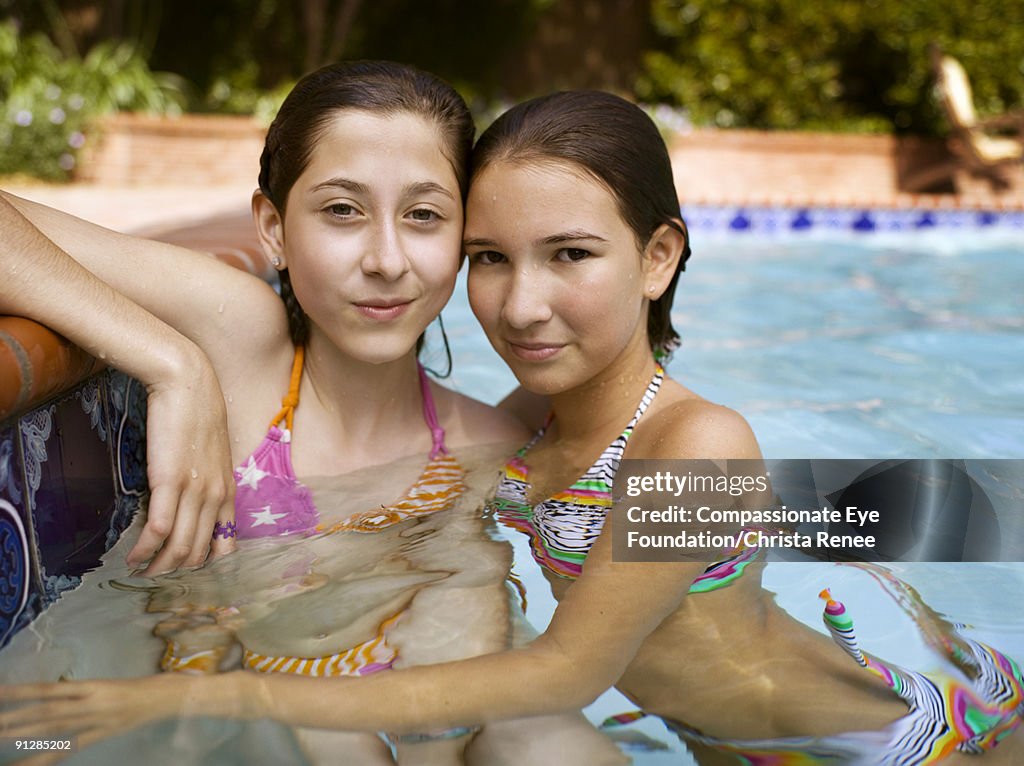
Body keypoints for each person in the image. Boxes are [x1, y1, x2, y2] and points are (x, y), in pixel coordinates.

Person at [4, 90, 1023, 765]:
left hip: (906, 745)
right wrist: (176, 367)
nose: (521, 305)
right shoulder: (521, 429)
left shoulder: (698, 444)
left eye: (570, 255)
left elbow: (566, 671)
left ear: (658, 257)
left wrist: (237, 702)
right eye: (491, 257)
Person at [0, 63, 628, 765]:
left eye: (423, 215)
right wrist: (170, 363)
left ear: (463, 239)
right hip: (230, 721)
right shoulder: (242, 346)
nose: (386, 260)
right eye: (342, 210)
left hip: (424, 720)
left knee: (557, 744)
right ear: (272, 227)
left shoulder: (495, 443)